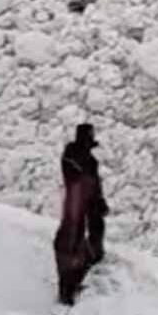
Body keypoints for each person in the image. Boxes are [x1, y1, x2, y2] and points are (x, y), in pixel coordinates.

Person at [54, 123, 109, 305]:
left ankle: (88, 263)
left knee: (95, 229)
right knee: (71, 238)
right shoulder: (72, 155)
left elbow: (94, 183)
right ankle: (67, 288)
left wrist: (99, 200)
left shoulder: (89, 160)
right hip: (76, 201)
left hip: (87, 201)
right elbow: (76, 177)